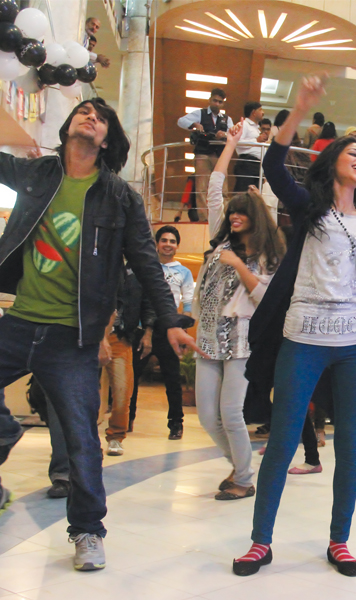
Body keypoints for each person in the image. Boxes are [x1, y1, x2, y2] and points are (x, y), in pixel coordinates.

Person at [0, 98, 200, 571]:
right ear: (70, 126)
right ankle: (6, 430)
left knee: (81, 438)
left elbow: (147, 262)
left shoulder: (119, 196)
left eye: (101, 117)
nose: (90, 117)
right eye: (84, 112)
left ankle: (88, 531)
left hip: (73, 334)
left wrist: (170, 320)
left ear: (107, 138)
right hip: (21, 319)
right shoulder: (38, 175)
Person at [235, 75, 356, 578]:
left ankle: (340, 540)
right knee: (284, 438)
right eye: (353, 153)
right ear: (332, 163)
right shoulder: (310, 208)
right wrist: (300, 105)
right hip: (304, 335)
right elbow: (271, 163)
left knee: (350, 443)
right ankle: (260, 541)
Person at [195, 120, 286, 501]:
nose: (233, 218)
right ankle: (242, 467)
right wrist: (230, 146)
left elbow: (265, 299)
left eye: (242, 214)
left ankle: (244, 478)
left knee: (232, 413)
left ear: (255, 217)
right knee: (205, 415)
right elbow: (215, 191)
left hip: (242, 338)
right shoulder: (220, 237)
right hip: (207, 332)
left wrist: (238, 266)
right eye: (233, 213)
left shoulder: (267, 255)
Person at [129, 225, 193, 439]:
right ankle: (127, 420)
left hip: (169, 330)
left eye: (172, 241)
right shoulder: (145, 268)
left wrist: (182, 327)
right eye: (164, 240)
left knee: (173, 380)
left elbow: (188, 302)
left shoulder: (183, 272)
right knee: (132, 377)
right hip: (141, 329)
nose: (168, 244)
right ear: (157, 244)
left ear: (177, 246)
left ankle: (176, 424)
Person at [103, 267, 156, 457]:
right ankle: (79, 439)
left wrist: (148, 332)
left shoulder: (138, 268)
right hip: (90, 335)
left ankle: (116, 436)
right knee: (83, 392)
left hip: (121, 336)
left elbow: (148, 302)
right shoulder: (98, 256)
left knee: (123, 390)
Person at [178, 89, 234, 212]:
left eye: (220, 102)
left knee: (223, 187)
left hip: (220, 155)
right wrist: (195, 125)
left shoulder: (226, 118)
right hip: (202, 153)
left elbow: (232, 132)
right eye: (215, 100)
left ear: (223, 103)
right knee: (201, 186)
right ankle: (204, 217)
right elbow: (181, 121)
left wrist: (223, 134)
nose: (217, 104)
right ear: (210, 100)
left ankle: (223, 216)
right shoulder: (200, 113)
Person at [234, 102, 265, 192]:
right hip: (247, 163)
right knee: (244, 191)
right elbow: (238, 142)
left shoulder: (257, 128)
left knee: (254, 194)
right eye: (260, 110)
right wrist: (257, 141)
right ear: (254, 112)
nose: (263, 112)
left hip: (257, 165)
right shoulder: (243, 125)